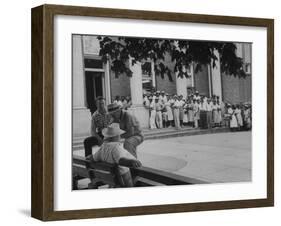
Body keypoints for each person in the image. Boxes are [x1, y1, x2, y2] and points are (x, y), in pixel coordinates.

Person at [90, 123, 142, 187]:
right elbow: (120, 160)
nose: (120, 137)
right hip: (123, 180)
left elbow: (93, 159)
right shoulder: (116, 147)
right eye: (119, 135)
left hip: (112, 179)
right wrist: (131, 161)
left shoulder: (103, 147)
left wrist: (89, 157)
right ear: (115, 136)